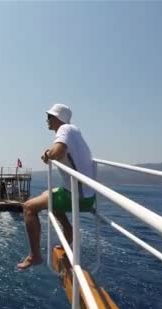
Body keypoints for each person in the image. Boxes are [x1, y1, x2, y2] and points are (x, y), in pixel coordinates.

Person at [17, 103, 96, 270]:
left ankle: (35, 256)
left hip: (78, 196)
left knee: (28, 207)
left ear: (58, 118)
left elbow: (57, 152)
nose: (47, 120)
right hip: (87, 195)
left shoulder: (65, 129)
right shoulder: (74, 131)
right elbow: (59, 150)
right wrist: (50, 153)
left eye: (49, 117)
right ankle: (68, 230)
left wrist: (48, 155)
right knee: (48, 193)